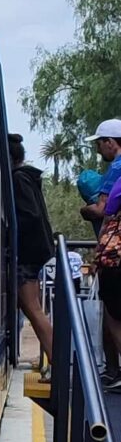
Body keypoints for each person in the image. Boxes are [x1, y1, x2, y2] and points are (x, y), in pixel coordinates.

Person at [81, 120, 121, 384]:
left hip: (115, 254)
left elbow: (104, 211)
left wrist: (85, 210)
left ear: (111, 142)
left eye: (99, 143)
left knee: (113, 314)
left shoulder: (116, 169)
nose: (98, 149)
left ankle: (114, 370)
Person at [9, 135, 54, 366]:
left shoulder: (18, 180)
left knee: (33, 308)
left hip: (26, 253)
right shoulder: (28, 178)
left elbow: (29, 216)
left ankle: (60, 361)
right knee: (31, 307)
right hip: (34, 253)